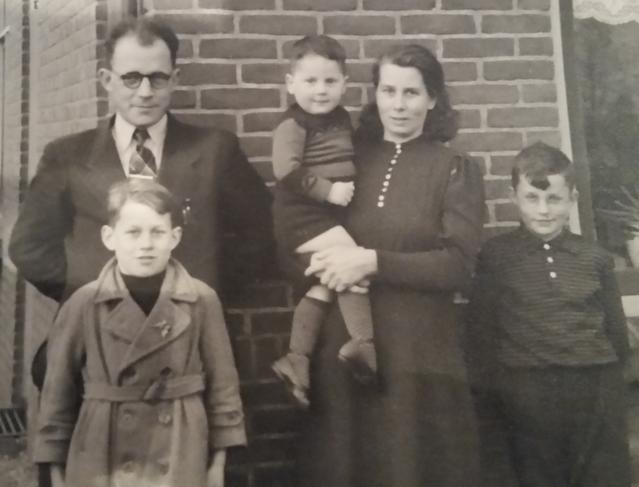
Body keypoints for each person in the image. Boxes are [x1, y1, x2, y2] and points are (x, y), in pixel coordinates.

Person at [295, 44, 486, 487]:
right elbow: (298, 226)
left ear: (433, 99)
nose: (398, 105)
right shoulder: (346, 161)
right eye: (388, 91)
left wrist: (372, 261)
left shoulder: (454, 168)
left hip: (418, 352)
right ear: (375, 95)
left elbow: (458, 266)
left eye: (412, 93)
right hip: (346, 345)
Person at [9, 16, 273, 305]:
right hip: (99, 329)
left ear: (175, 79)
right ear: (107, 80)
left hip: (189, 326)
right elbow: (29, 248)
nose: (145, 93)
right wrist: (85, 295)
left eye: (157, 78)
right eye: (131, 78)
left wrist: (207, 290)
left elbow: (261, 234)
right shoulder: (67, 156)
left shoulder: (216, 150)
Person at [33, 179, 246, 487]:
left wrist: (218, 463)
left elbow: (223, 388)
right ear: (109, 237)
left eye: (157, 232)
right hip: (102, 446)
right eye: (133, 232)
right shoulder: (85, 302)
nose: (146, 244)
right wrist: (55, 469)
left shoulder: (201, 299)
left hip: (180, 444)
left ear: (175, 237)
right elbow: (57, 394)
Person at [465, 142, 630, 487]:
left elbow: (616, 335)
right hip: (526, 394)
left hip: (592, 391)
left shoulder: (595, 258)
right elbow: (481, 336)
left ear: (572, 198)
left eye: (554, 199)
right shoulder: (496, 257)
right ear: (515, 197)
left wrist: (609, 392)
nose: (543, 210)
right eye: (532, 198)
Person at [270, 35, 376, 408]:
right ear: (290, 84)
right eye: (311, 81)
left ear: (345, 84)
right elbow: (286, 171)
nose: (321, 90)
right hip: (301, 214)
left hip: (326, 214)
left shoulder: (340, 118)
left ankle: (297, 358)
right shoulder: (293, 124)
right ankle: (363, 345)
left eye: (330, 81)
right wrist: (329, 191)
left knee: (326, 285)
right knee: (351, 263)